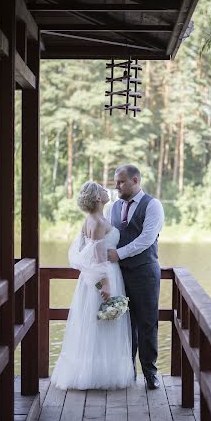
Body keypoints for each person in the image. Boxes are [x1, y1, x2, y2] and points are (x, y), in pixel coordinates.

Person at [51, 181, 135, 390]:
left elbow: (82, 251)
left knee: (93, 324)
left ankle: (93, 372)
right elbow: (98, 258)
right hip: (103, 277)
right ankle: (99, 375)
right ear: (98, 198)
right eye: (103, 190)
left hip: (91, 279)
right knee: (103, 324)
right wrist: (105, 284)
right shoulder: (97, 222)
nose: (108, 191)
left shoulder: (92, 220)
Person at [106, 164, 164, 390]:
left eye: (120, 181)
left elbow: (146, 239)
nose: (116, 186)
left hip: (144, 273)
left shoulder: (153, 205)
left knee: (148, 323)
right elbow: (107, 235)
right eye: (115, 181)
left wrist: (118, 254)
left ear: (135, 181)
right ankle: (127, 372)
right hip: (119, 274)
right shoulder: (113, 207)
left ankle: (150, 373)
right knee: (124, 324)